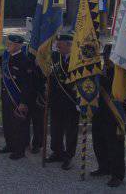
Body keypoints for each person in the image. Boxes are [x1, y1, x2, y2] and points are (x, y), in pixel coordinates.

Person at [0, 34, 35, 160]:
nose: (8, 45)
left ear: (18, 45)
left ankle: (19, 150)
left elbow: (28, 85)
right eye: (8, 43)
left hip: (18, 99)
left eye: (11, 44)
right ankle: (10, 145)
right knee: (8, 122)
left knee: (19, 125)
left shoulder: (25, 61)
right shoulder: (6, 55)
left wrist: (24, 102)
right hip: (6, 95)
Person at [91, 44, 125, 187]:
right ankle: (103, 167)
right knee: (99, 141)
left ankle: (117, 174)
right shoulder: (101, 70)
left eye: (108, 56)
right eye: (105, 55)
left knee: (114, 146)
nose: (106, 58)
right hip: (99, 112)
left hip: (113, 114)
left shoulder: (120, 73)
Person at [46, 32, 79, 170]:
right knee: (55, 128)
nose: (57, 48)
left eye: (60, 46)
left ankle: (68, 156)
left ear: (69, 45)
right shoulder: (54, 57)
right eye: (57, 46)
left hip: (71, 101)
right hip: (56, 100)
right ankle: (57, 151)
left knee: (71, 130)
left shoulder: (78, 59)